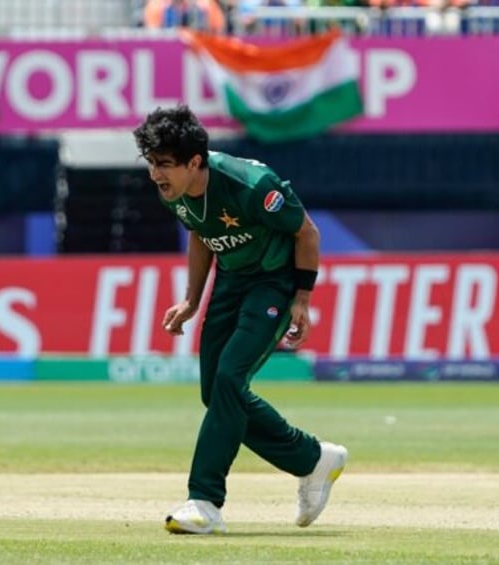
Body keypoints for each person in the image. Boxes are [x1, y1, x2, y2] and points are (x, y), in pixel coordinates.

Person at [132, 105, 347, 535]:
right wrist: (192, 299)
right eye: (152, 164)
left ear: (195, 162)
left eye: (165, 165)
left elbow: (307, 233)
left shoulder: (252, 186)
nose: (156, 175)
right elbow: (200, 232)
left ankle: (205, 501)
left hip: (274, 282)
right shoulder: (173, 190)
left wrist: (301, 300)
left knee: (230, 379)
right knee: (216, 394)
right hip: (231, 280)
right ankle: (313, 460)